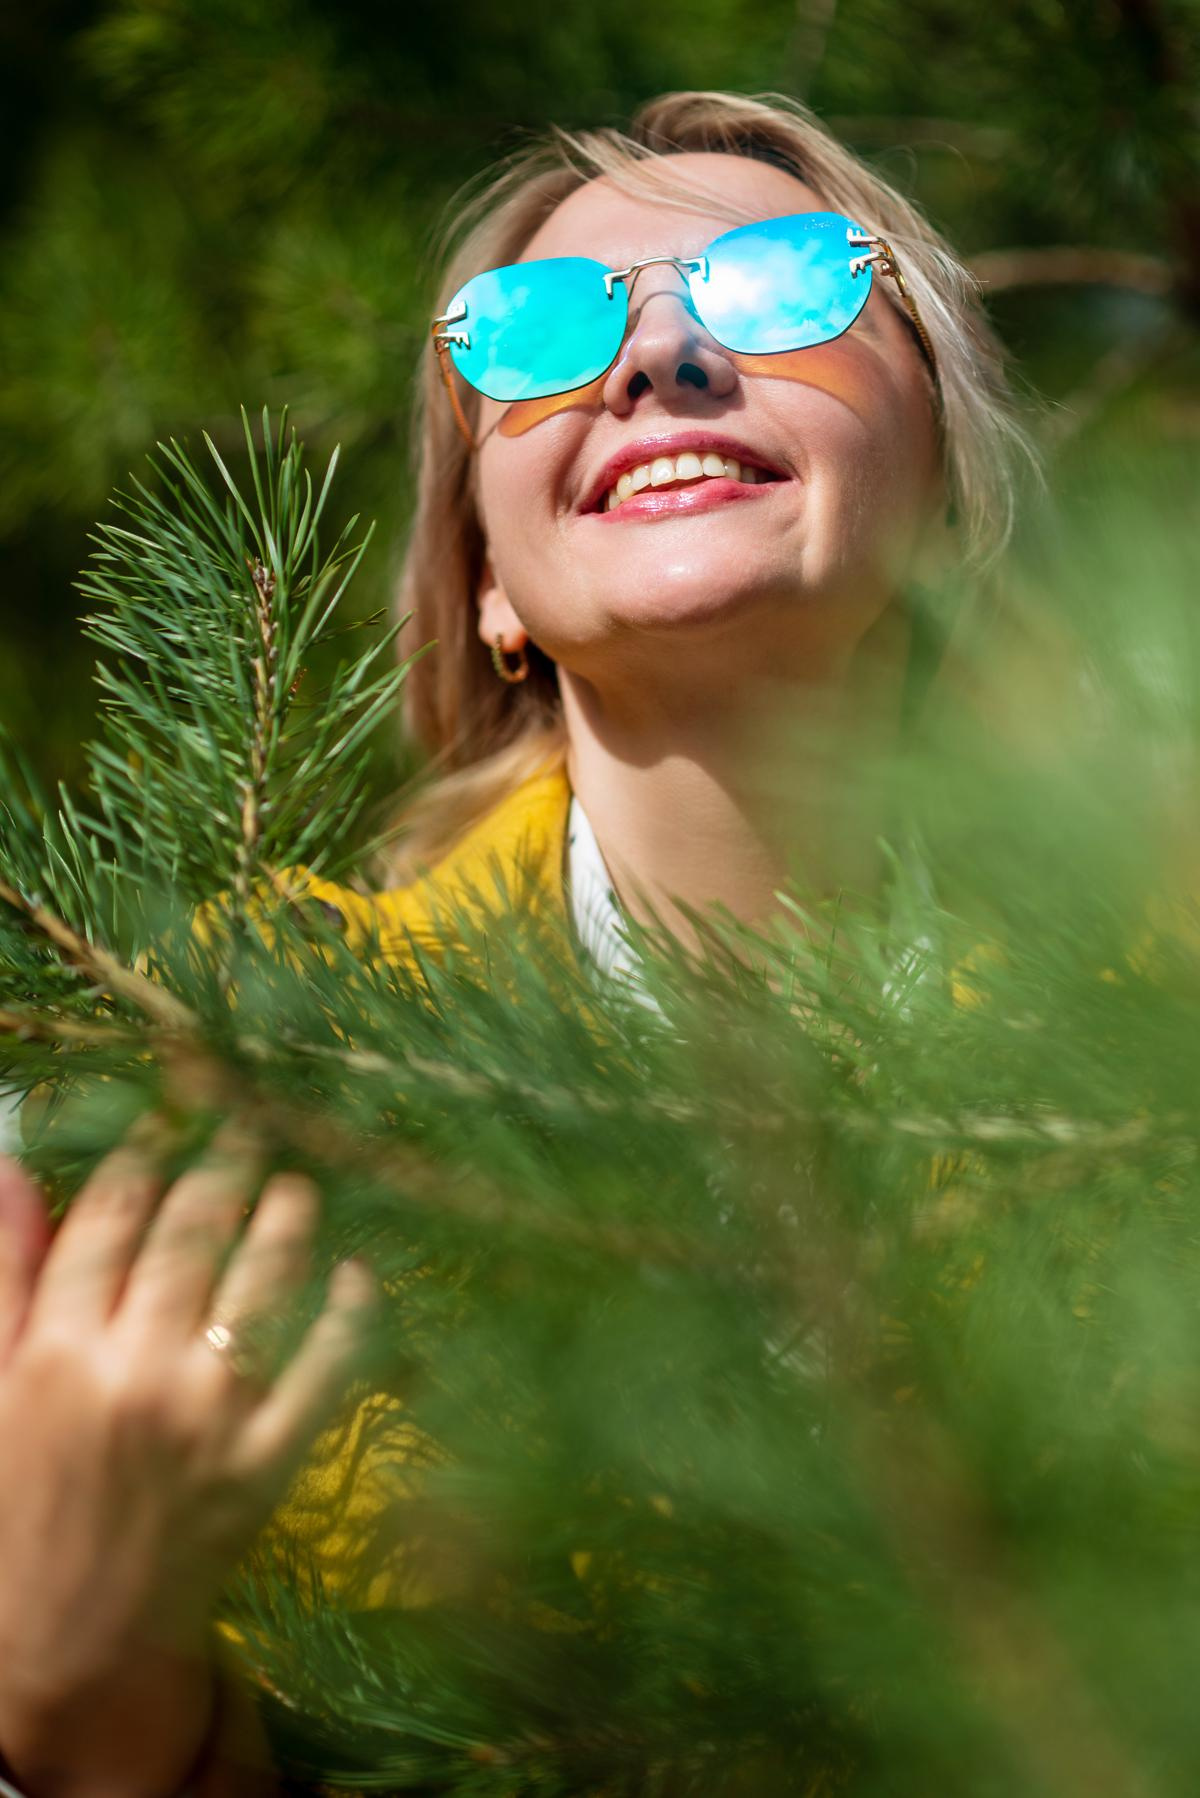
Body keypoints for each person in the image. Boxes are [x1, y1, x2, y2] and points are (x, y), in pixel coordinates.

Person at [0, 90, 1038, 1796]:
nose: (655, 360)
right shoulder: (212, 1071)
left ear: (951, 492)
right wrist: (68, 1694)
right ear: (486, 575)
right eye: (538, 334)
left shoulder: (1165, 1055)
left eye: (779, 284)